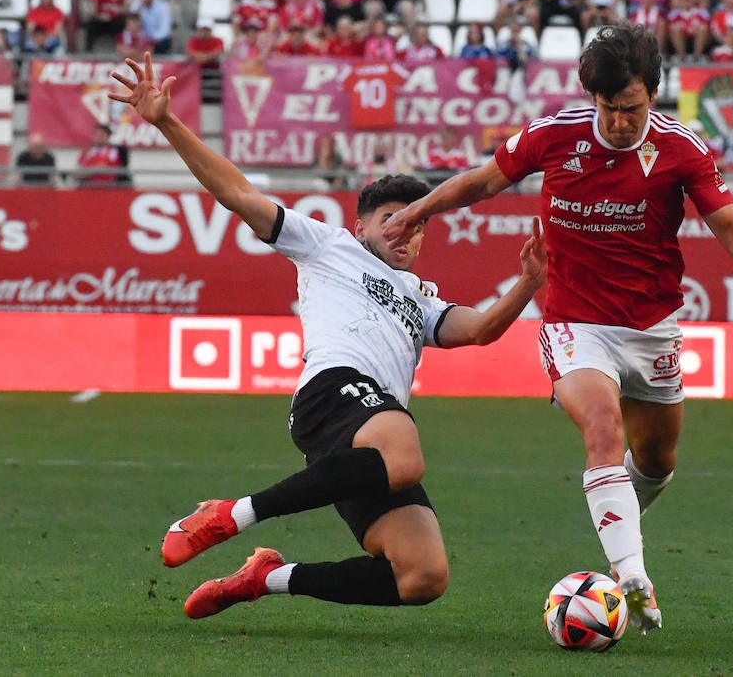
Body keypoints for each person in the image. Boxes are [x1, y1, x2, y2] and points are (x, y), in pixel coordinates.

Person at [380, 23, 733, 635]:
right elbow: (482, 181)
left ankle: (617, 524)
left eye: (632, 108)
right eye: (609, 107)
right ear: (590, 95)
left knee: (655, 459)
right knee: (603, 429)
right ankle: (632, 575)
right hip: (576, 320)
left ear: (652, 95)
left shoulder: (683, 149)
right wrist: (419, 207)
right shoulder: (555, 136)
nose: (621, 121)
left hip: (653, 326)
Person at [107, 53, 547, 620]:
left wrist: (528, 283)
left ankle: (268, 578)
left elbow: (481, 331)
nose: (406, 233)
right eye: (393, 220)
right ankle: (231, 514)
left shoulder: (421, 297)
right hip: (334, 392)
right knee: (406, 454)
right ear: (359, 224)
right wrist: (167, 122)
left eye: (417, 224)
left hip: (367, 440)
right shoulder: (326, 246)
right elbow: (238, 193)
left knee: (422, 576)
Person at [76, 123, 129, 187]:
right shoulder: (88, 150)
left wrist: (88, 171)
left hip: (105, 185)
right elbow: (79, 165)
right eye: (96, 134)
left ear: (108, 136)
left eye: (101, 135)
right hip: (86, 184)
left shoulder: (113, 151)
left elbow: (104, 167)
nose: (98, 137)